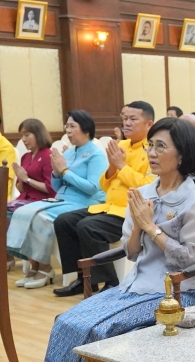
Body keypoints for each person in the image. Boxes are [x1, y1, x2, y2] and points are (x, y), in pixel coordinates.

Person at [32, 118, 195, 362]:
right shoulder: (141, 193)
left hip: (173, 293)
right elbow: (130, 253)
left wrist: (150, 226)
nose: (152, 153)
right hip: (136, 283)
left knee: (99, 330)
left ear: (182, 154)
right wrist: (137, 228)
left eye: (161, 146)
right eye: (150, 145)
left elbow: (189, 257)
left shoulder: (194, 199)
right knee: (68, 321)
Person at [53, 101, 155, 297]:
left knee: (88, 227)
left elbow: (147, 186)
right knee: (64, 221)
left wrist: (121, 166)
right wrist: (113, 167)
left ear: (149, 124)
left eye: (133, 119)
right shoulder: (121, 145)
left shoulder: (152, 149)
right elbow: (104, 185)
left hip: (131, 210)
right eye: (125, 118)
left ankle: (110, 282)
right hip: (108, 207)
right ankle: (84, 280)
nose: (127, 123)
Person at [7, 111, 108, 289]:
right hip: (61, 199)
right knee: (22, 211)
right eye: (66, 127)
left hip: (83, 202)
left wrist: (64, 172)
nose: (68, 131)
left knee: (40, 217)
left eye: (72, 126)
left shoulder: (96, 154)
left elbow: (93, 187)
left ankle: (45, 268)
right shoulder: (68, 154)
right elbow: (55, 185)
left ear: (86, 129)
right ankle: (33, 265)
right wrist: (56, 172)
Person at [7, 119, 54, 273]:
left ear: (38, 134)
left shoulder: (48, 155)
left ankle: (36, 264)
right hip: (25, 198)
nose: (24, 140)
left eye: (27, 135)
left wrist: (27, 178)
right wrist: (20, 179)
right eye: (22, 136)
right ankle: (16, 256)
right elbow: (22, 188)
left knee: (12, 213)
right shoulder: (26, 157)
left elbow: (50, 188)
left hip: (43, 200)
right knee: (0, 210)